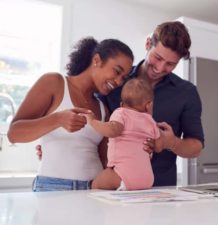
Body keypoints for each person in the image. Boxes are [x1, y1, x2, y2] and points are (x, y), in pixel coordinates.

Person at [7, 37, 134, 191]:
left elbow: (104, 158)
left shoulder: (103, 109)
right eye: (117, 71)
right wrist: (58, 119)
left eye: (123, 78)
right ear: (97, 60)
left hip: (93, 190)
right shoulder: (54, 83)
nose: (119, 81)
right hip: (52, 188)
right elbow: (14, 134)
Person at [103, 21, 204, 186]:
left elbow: (196, 146)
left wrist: (171, 142)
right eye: (157, 57)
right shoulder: (117, 80)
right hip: (114, 188)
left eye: (170, 64)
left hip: (161, 191)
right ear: (148, 43)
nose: (160, 68)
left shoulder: (186, 92)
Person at [84, 79, 162, 190]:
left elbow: (113, 130)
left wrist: (92, 122)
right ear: (149, 105)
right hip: (147, 180)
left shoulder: (121, 113)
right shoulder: (151, 121)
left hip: (122, 176)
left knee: (97, 183)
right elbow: (158, 147)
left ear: (121, 104)